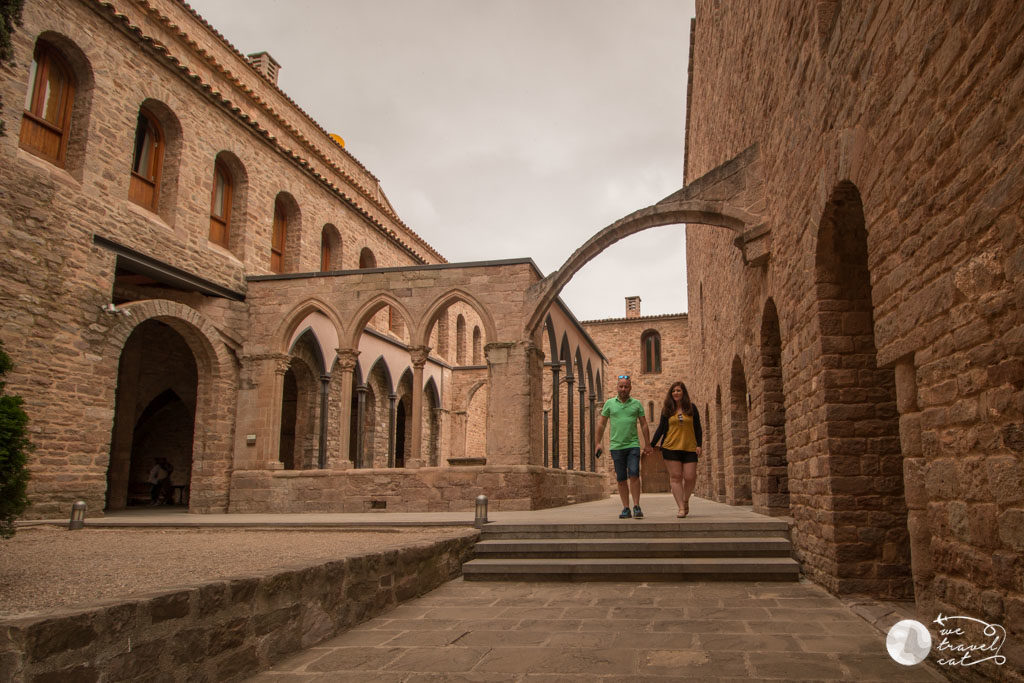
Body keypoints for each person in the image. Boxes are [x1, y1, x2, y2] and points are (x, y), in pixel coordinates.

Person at [594, 374, 651, 519]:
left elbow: (644, 424)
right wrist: (598, 443)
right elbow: (601, 424)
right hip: (616, 446)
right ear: (617, 387)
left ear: (630, 388)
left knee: (634, 473)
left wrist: (648, 444)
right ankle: (626, 508)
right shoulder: (609, 404)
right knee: (621, 478)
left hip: (633, 445)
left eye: (626, 386)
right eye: (621, 386)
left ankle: (637, 506)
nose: (623, 389)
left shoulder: (637, 404)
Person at [650, 381, 702, 517]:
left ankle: (685, 500)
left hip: (689, 447)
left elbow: (697, 427)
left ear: (683, 393)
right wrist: (651, 444)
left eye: (678, 390)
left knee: (690, 477)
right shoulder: (667, 410)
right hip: (670, 447)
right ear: (671, 394)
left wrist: (699, 444)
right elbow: (661, 428)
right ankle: (681, 508)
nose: (676, 393)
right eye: (673, 391)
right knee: (676, 477)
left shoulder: (692, 408)